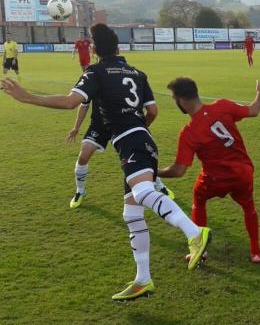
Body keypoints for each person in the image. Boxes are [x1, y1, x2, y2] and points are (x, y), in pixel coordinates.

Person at [1, 23, 210, 301]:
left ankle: (194, 233)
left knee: (143, 192)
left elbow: (69, 102)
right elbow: (153, 110)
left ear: (96, 50)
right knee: (131, 214)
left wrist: (28, 97)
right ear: (119, 47)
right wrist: (138, 129)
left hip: (132, 142)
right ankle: (143, 279)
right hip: (139, 139)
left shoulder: (95, 71)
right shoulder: (137, 73)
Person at [159, 76, 260, 264]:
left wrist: (155, 172)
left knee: (198, 198)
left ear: (181, 101)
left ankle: (200, 249)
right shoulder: (223, 106)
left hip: (215, 179)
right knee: (249, 207)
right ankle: (256, 252)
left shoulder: (189, 132)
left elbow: (178, 171)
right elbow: (254, 110)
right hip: (243, 172)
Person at [64, 98, 175, 209]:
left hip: (122, 123)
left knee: (142, 155)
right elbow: (84, 104)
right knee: (83, 157)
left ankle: (159, 185)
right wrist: (76, 127)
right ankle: (80, 191)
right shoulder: (93, 80)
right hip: (99, 125)